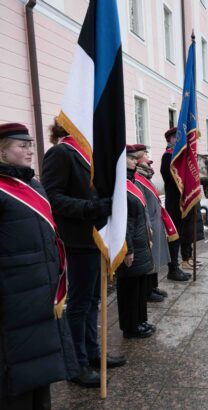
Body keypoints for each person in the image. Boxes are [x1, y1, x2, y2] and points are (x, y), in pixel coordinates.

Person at [0, 123, 80, 409]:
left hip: (41, 291)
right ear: (2, 151)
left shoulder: (33, 184)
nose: (30, 150)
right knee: (16, 376)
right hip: (13, 296)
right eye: (21, 146)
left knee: (41, 371)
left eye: (31, 144)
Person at [42, 118, 126, 388]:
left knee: (93, 301)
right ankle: (75, 364)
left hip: (96, 239)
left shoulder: (89, 153)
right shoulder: (60, 153)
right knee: (79, 305)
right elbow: (52, 198)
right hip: (77, 240)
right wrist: (93, 208)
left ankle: (92, 353)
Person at [117, 145, 155, 339]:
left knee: (140, 286)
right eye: (131, 158)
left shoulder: (132, 182)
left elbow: (142, 215)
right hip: (130, 245)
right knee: (129, 290)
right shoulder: (119, 185)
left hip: (141, 241)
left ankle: (141, 320)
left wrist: (148, 236)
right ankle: (130, 327)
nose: (135, 161)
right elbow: (122, 222)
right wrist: (128, 249)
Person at [133, 145, 171, 303]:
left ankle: (153, 286)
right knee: (150, 258)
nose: (149, 160)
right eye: (146, 156)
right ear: (138, 159)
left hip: (155, 220)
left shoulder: (145, 175)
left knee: (155, 257)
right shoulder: (137, 178)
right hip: (148, 223)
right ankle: (148, 291)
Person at [160, 127, 191, 282]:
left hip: (182, 202)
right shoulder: (168, 157)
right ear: (171, 139)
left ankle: (177, 265)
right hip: (174, 202)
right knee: (174, 236)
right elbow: (170, 176)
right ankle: (173, 269)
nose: (180, 141)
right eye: (177, 138)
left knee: (181, 235)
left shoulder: (179, 156)